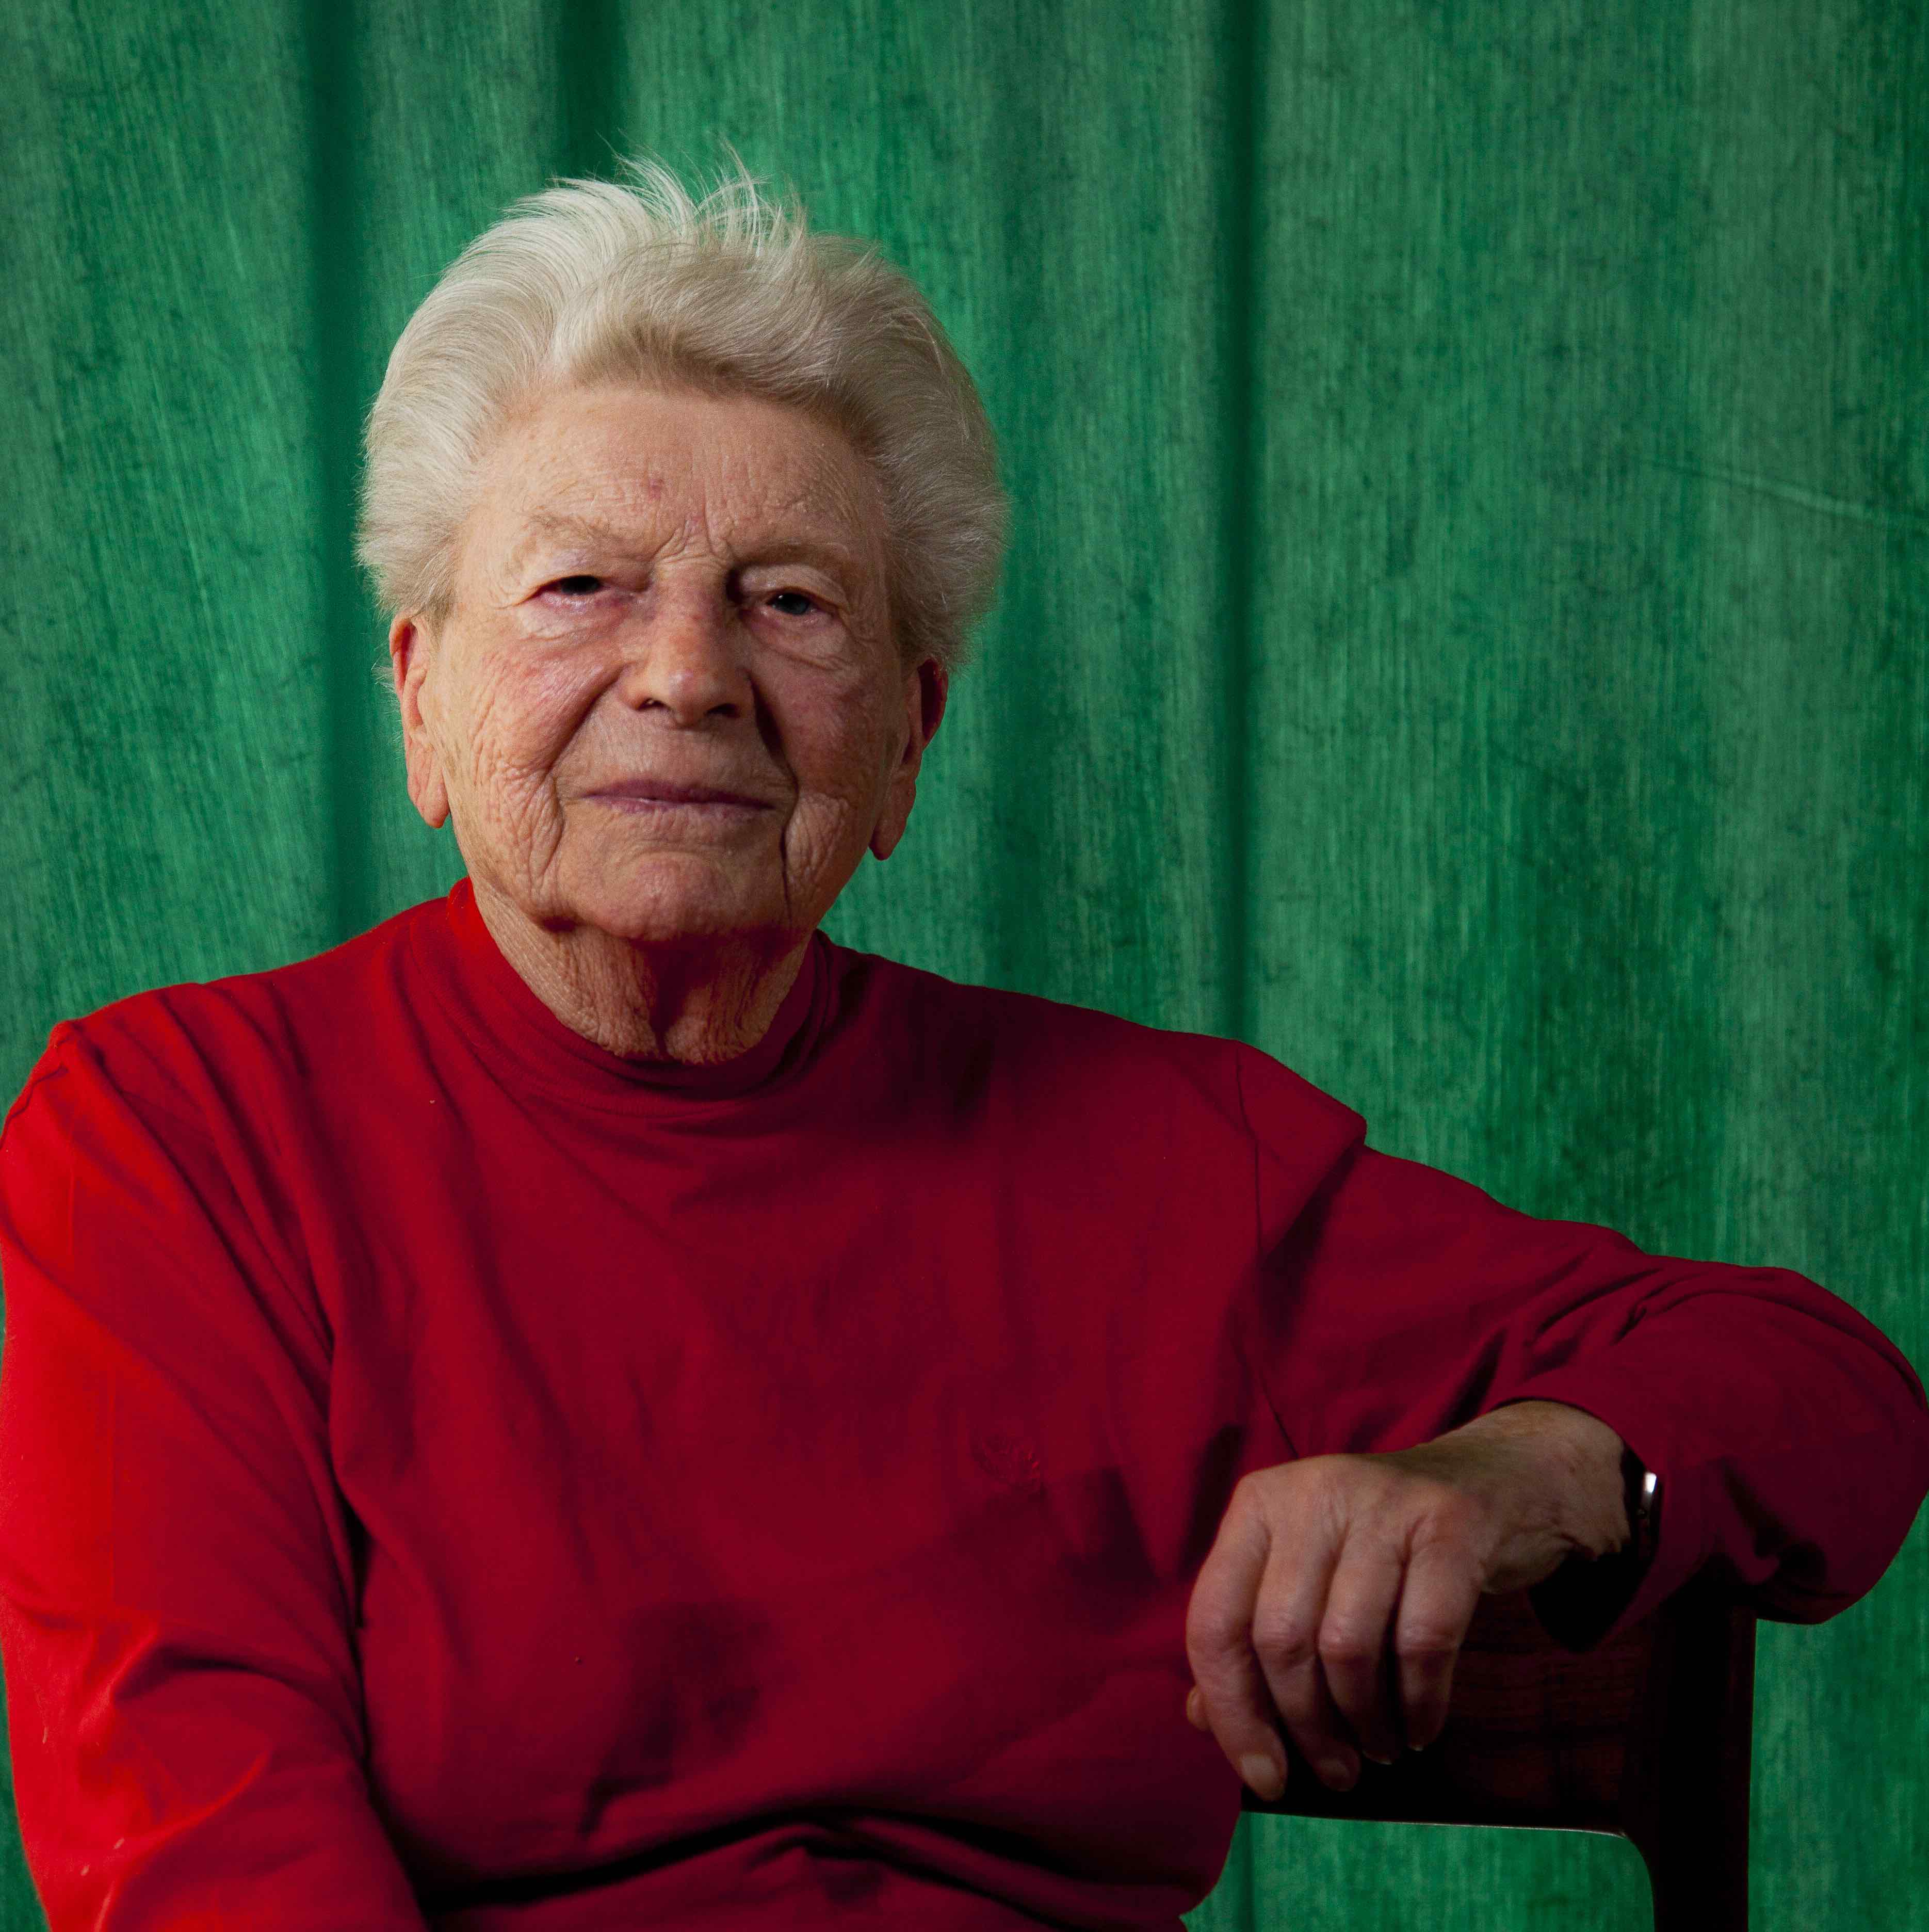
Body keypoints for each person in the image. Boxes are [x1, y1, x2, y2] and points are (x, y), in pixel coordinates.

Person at [0, 158, 1923, 1932]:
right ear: (423, 702)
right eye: (581, 586)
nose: (687, 673)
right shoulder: (177, 1140)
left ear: (908, 739)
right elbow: (203, 1856)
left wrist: (1508, 1477)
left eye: (789, 601)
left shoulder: (1163, 1162)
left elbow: (1827, 1394)